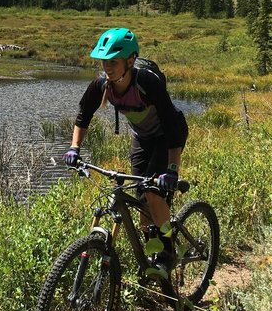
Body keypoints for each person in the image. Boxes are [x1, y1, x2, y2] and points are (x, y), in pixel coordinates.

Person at [64, 27, 187, 270]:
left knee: (152, 192)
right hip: (142, 137)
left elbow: (172, 127)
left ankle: (168, 251)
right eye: (103, 60)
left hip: (167, 136)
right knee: (141, 197)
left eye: (113, 61)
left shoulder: (147, 83)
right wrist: (74, 148)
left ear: (130, 60)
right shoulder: (102, 84)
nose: (107, 66)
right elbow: (83, 117)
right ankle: (153, 252)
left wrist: (172, 169)